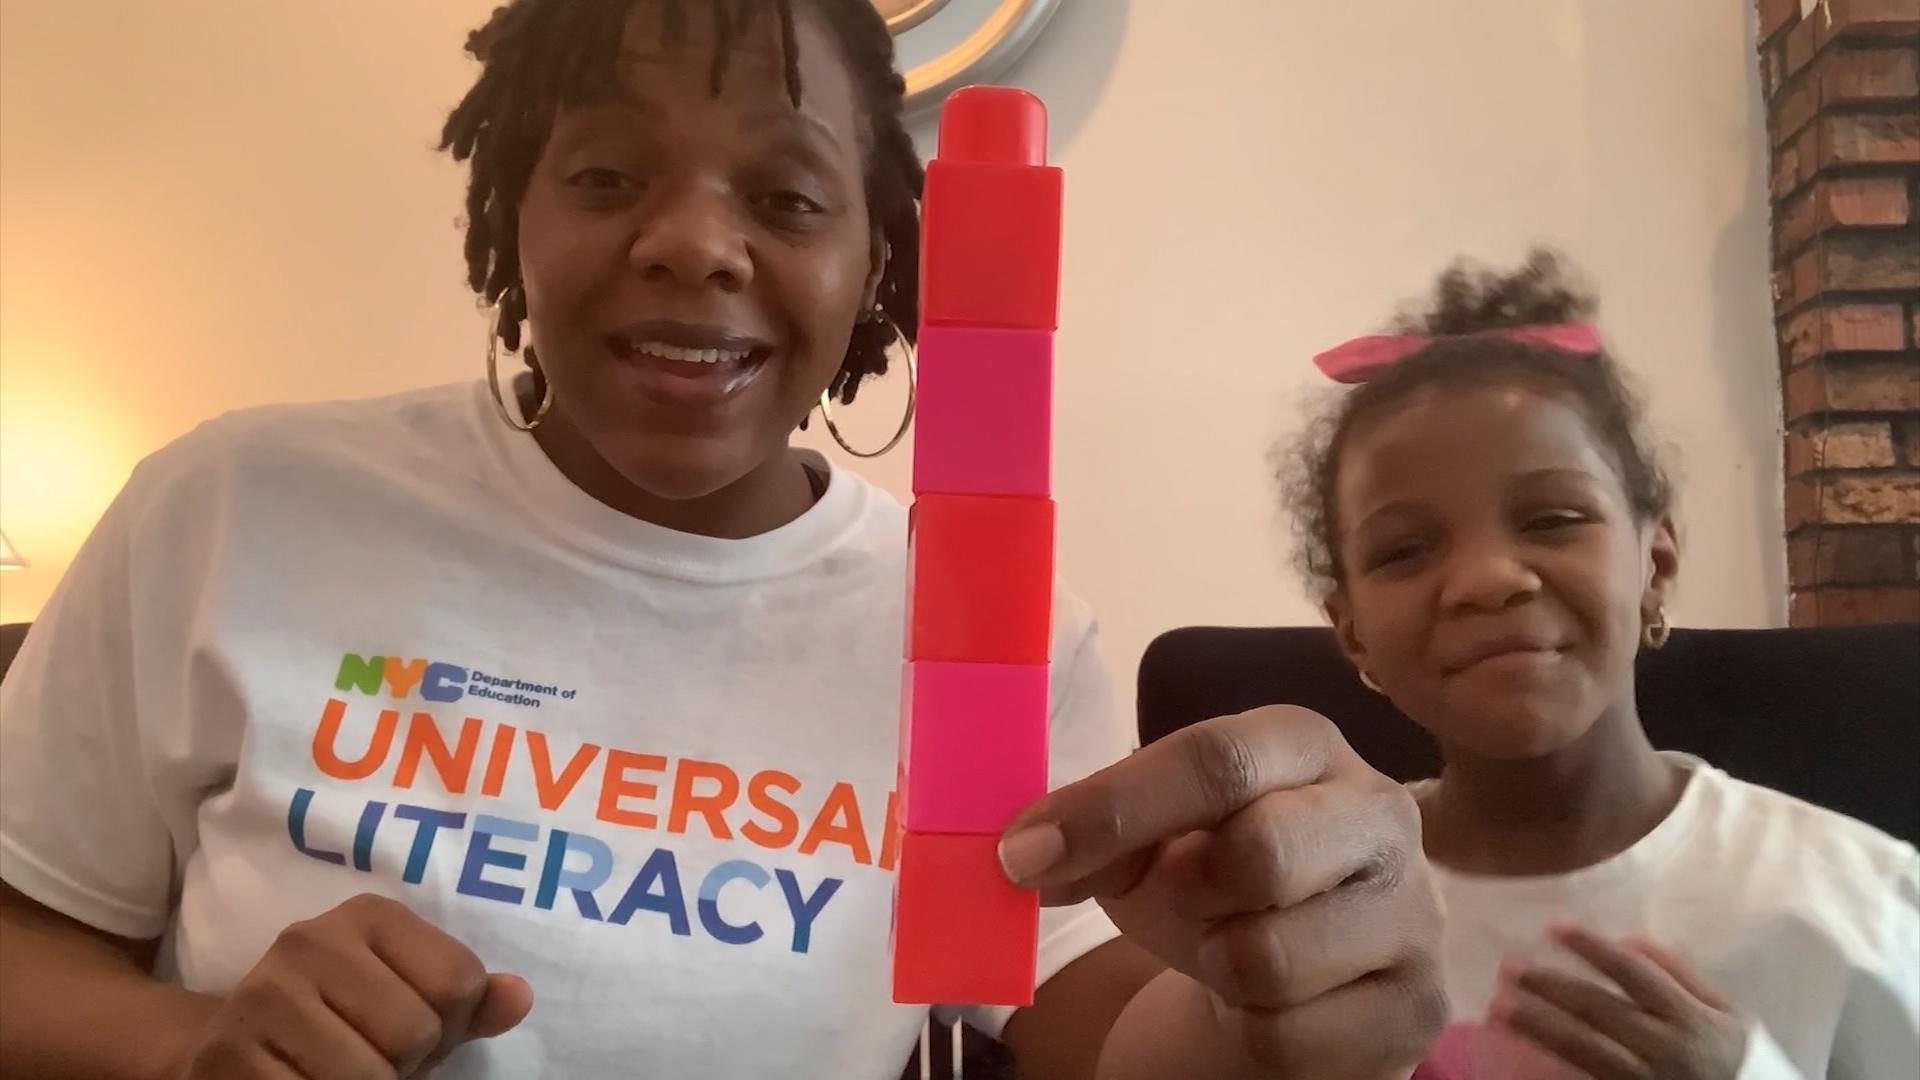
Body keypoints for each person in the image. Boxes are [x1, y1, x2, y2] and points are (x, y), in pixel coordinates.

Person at [0, 3, 1446, 1077]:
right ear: (514, 219)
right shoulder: (235, 507)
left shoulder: (989, 628)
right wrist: (195, 1046)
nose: (694, 242)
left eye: (787, 196)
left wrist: (1268, 1000)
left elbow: (1091, 1028)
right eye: (609, 178)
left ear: (874, 260)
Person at [1281, 250, 1920, 1080]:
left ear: (1654, 564)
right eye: (1405, 550)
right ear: (1352, 632)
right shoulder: (1306, 913)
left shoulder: (1861, 904)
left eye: (1552, 518)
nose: (1486, 579)